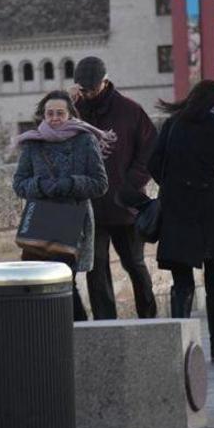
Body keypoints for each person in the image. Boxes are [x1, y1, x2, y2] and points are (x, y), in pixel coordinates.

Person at [148, 79, 214, 362]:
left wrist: (173, 185)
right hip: (208, 208)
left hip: (177, 206)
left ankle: (179, 343)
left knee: (182, 280)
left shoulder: (173, 124)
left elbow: (153, 162)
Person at [70, 56, 158, 320]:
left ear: (105, 82)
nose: (87, 93)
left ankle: (150, 318)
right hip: (91, 209)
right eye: (82, 89)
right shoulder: (74, 112)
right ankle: (104, 324)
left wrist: (129, 186)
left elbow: (150, 151)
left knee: (135, 264)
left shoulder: (130, 110)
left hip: (126, 207)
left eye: (91, 88)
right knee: (96, 271)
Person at [13, 90, 111, 321]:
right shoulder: (33, 143)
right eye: (50, 113)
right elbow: (19, 183)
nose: (55, 118)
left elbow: (100, 184)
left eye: (60, 113)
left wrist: (70, 184)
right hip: (40, 221)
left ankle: (76, 331)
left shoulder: (85, 140)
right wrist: (41, 186)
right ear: (43, 115)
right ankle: (48, 335)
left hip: (73, 221)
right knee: (36, 282)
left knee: (65, 280)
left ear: (70, 115)